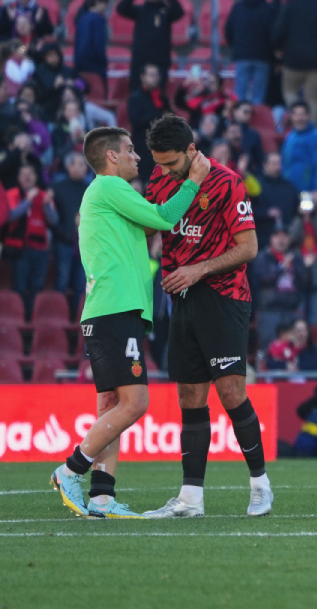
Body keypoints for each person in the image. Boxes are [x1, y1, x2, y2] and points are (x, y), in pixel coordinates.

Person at [49, 126, 209, 520]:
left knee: (111, 405)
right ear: (111, 157)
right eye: (131, 150)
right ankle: (71, 469)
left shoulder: (103, 196)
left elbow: (149, 224)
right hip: (116, 311)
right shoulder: (109, 187)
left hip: (107, 311)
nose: (138, 157)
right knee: (136, 403)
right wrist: (193, 180)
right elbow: (165, 218)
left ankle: (102, 496)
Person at [141, 115, 267, 519]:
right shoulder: (159, 182)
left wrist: (197, 269)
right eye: (158, 163)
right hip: (182, 301)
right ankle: (191, 498)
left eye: (171, 162)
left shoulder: (228, 182)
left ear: (192, 151)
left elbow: (248, 248)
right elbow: (148, 228)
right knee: (189, 397)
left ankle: (260, 485)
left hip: (224, 297)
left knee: (231, 392)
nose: (164, 170)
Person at [5, 163, 57, 318]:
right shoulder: (13, 193)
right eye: (24, 174)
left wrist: (47, 204)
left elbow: (54, 221)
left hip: (41, 249)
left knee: (38, 285)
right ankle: (18, 317)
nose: (27, 177)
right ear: (18, 178)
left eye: (30, 174)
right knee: (20, 285)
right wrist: (27, 201)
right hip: (22, 248)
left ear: (35, 177)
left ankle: (33, 318)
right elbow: (11, 216)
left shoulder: (43, 195)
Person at [116, 0, 184, 90]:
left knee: (158, 93)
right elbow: (121, 9)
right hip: (140, 59)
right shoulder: (139, 10)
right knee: (136, 92)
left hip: (160, 59)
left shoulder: (166, 11)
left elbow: (179, 12)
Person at [226, 0, 276, 106]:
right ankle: (257, 123)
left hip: (242, 54)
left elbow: (228, 30)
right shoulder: (268, 8)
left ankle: (238, 122)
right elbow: (273, 34)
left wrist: (236, 47)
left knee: (239, 94)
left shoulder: (238, 6)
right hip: (262, 56)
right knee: (258, 97)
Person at [254, 226, 308, 345]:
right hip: (270, 310)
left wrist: (306, 267)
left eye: (284, 236)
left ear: (289, 239)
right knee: (268, 347)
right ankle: (261, 364)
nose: (281, 240)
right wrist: (282, 268)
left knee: (292, 347)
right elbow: (263, 279)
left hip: (291, 310)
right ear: (271, 239)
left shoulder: (296, 258)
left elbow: (305, 281)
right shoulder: (263, 257)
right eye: (277, 236)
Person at [51, 152, 89, 315]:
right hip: (64, 242)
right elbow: (51, 217)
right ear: (69, 167)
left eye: (84, 164)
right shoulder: (57, 188)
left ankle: (76, 319)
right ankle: (56, 316)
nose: (83, 167)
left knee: (82, 285)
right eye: (79, 164)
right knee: (62, 281)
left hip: (85, 246)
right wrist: (63, 231)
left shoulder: (89, 189)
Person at [288, 198, 317, 327]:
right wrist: (300, 217)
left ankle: (311, 343)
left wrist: (314, 217)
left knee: (314, 320)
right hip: (299, 275)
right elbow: (292, 237)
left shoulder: (316, 223)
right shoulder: (296, 223)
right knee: (299, 317)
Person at [127, 64, 172, 185]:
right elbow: (135, 119)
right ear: (143, 77)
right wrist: (157, 116)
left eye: (157, 75)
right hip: (143, 145)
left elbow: (170, 116)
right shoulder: (136, 97)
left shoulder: (162, 97)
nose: (155, 78)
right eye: (151, 75)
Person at [280, 102, 317, 195]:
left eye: (302, 115)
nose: (299, 118)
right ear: (291, 117)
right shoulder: (290, 137)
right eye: (295, 115)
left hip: (306, 192)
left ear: (309, 116)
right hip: (287, 190)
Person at [251, 152, 299, 247]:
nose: (278, 167)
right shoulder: (255, 185)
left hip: (285, 236)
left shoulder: (288, 186)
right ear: (265, 165)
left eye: (279, 163)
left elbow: (295, 209)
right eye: (274, 164)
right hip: (262, 236)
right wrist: (266, 213)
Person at [73, 0, 109, 87]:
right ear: (97, 2)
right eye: (105, 5)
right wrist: (103, 61)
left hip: (80, 63)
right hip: (95, 65)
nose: (105, 8)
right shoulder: (98, 20)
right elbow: (98, 44)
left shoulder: (82, 18)